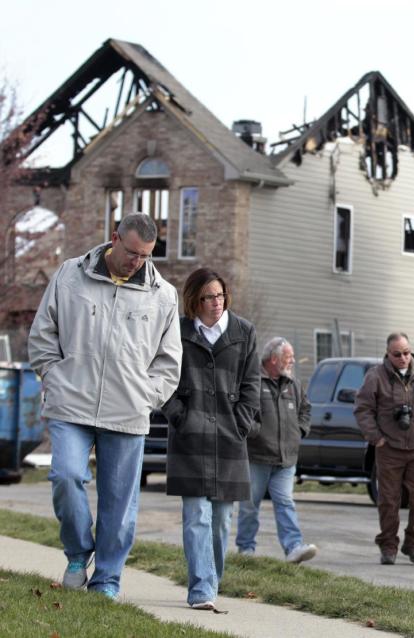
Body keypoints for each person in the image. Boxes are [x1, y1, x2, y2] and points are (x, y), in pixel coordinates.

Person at [28, 213, 182, 599]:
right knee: (65, 476)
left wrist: (146, 397)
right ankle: (79, 554)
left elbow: (169, 361)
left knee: (119, 505)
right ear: (114, 238)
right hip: (70, 403)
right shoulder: (69, 275)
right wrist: (52, 375)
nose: (137, 262)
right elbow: (44, 331)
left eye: (145, 256)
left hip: (127, 412)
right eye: (131, 252)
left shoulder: (162, 294)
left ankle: (107, 580)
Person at [162, 267, 260, 610]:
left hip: (229, 440)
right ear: (194, 300)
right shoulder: (177, 331)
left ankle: (211, 581)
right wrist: (180, 417)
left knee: (220, 523)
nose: (215, 303)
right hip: (189, 438)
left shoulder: (244, 331)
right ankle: (202, 589)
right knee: (196, 518)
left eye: (220, 295)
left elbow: (252, 384)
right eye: (207, 297)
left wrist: (241, 423)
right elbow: (161, 379)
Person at [354, 332, 414, 565]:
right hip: (389, 448)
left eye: (406, 352)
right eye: (397, 354)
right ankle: (388, 546)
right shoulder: (375, 376)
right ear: (388, 354)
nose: (403, 357)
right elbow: (363, 409)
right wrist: (376, 438)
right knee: (389, 500)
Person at [235, 337, 317, 563]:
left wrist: (300, 430)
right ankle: (246, 550)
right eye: (288, 357)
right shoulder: (253, 382)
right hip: (256, 457)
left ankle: (293, 547)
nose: (292, 362)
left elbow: (306, 409)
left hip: (286, 460)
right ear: (273, 359)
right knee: (250, 506)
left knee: (285, 502)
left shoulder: (294, 384)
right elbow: (241, 413)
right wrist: (255, 431)